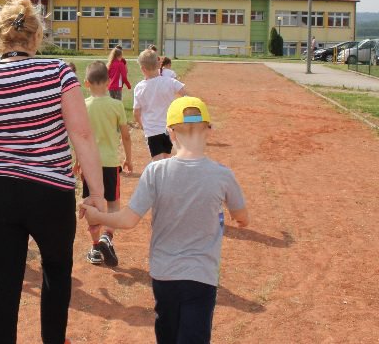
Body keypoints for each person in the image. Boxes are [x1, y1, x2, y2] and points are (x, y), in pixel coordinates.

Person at [0, 0, 106, 344]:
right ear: (37, 35)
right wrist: (97, 194)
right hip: (50, 191)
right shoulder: (58, 72)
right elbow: (82, 135)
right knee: (56, 271)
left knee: (3, 280)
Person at [82, 96, 249, 344]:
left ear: (170, 133)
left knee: (167, 334)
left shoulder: (156, 171)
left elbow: (128, 220)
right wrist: (239, 219)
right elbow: (242, 216)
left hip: (164, 274)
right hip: (202, 275)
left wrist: (97, 216)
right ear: (209, 130)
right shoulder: (222, 175)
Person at [74, 61, 132, 267]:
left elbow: (80, 136)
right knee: (113, 203)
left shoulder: (84, 106)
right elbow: (126, 136)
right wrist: (129, 158)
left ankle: (95, 247)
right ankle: (108, 235)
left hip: (89, 163)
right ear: (109, 81)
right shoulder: (116, 106)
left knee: (91, 203)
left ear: (86, 83)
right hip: (110, 162)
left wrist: (77, 160)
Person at [133, 49, 189, 161]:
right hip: (169, 128)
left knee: (158, 162)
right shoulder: (170, 82)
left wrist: (142, 126)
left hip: (152, 131)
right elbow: (188, 97)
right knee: (166, 159)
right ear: (159, 64)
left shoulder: (139, 87)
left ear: (143, 69)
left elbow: (136, 112)